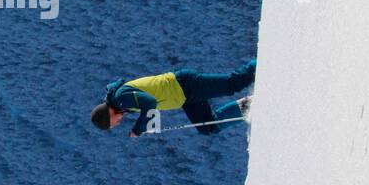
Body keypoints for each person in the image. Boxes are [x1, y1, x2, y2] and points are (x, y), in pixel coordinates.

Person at [90, 59, 256, 137]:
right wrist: (148, 123)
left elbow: (150, 102)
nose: (117, 124)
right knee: (208, 127)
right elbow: (150, 106)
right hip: (184, 98)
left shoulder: (121, 99)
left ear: (109, 115)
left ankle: (261, 62)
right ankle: (247, 106)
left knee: (233, 84)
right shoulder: (122, 104)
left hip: (185, 86)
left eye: (112, 124)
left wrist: (139, 128)